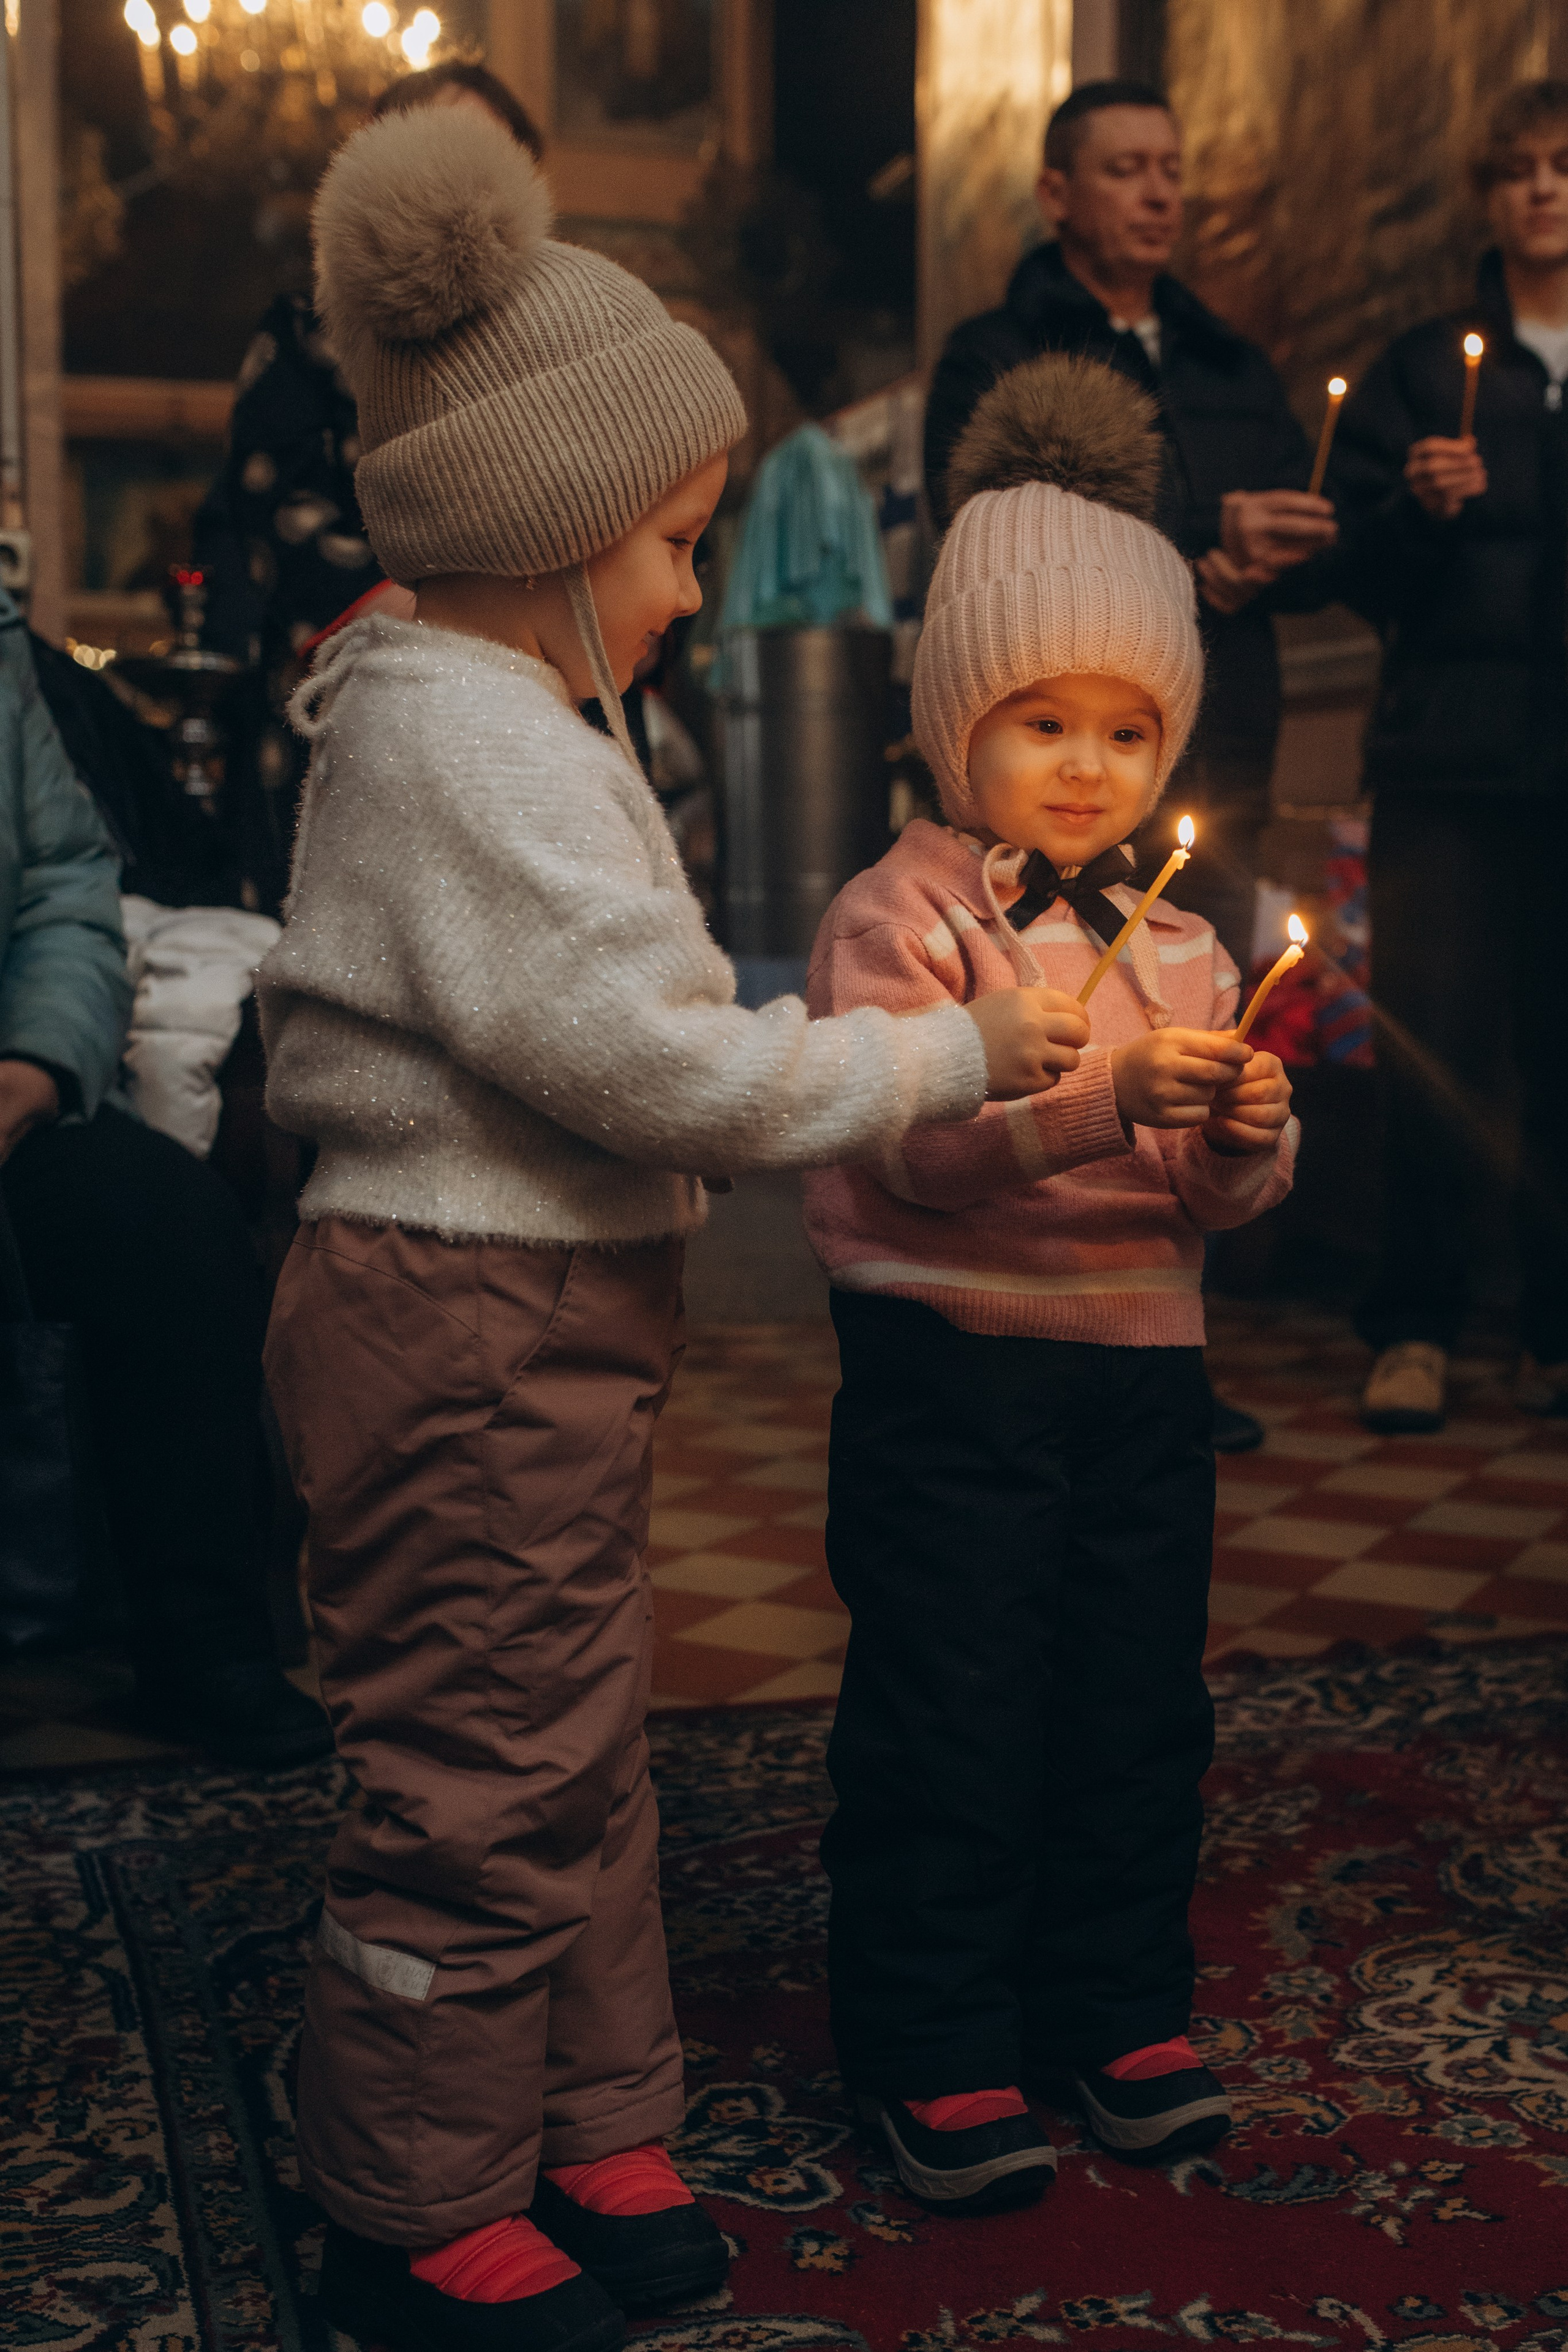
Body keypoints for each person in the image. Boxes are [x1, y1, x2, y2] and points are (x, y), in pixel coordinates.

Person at [257, 105, 1085, 2352]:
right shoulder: (470, 746)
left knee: (574, 1726)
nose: (699, 594)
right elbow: (653, 1060)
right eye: (678, 546)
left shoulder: (513, 710)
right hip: (464, 1312)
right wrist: (935, 1061)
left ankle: (588, 2115)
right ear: (549, 526)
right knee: (478, 1763)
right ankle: (411, 2196)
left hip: (536, 1305)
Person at [804, 355, 1297, 2214]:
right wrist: (1100, 1097)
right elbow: (912, 1150)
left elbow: (1207, 1200)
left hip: (1142, 1372)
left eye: (1128, 731)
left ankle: (1114, 2006)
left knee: (1131, 1699)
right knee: (954, 1699)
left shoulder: (1182, 940)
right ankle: (932, 2040)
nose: (1088, 766)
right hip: (952, 1366)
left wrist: (1237, 1130)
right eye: (1042, 721)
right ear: (955, 720)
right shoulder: (903, 919)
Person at [922, 77, 1329, 1457]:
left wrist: (1284, 549)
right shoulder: (998, 351)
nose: (1159, 193)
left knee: (1191, 1017)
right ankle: (1020, 1299)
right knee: (1054, 1015)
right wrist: (1192, 554)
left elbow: (1320, 538)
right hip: (1080, 719)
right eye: (1124, 169)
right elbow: (985, 529)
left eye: (1171, 169)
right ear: (1057, 193)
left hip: (1214, 732)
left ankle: (1156, 1333)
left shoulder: (1227, 359)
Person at [0, 590, 331, 1768]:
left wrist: (36, 1066)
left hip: (10, 1090)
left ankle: (205, 1643)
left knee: (174, 1231)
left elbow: (65, 885)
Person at [1328, 80, 1568, 1434]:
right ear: (1488, 193)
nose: (1542, 188)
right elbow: (1352, 567)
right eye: (1517, 167)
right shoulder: (1425, 367)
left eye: (1562, 164)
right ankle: (1412, 1323)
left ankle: (1555, 1330)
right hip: (1447, 765)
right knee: (1432, 1051)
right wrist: (1415, 513)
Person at [193, 62, 543, 910]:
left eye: (491, 161)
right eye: (441, 151)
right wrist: (472, 634)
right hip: (357, 702)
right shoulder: (306, 333)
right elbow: (281, 516)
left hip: (533, 707)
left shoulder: (546, 347)